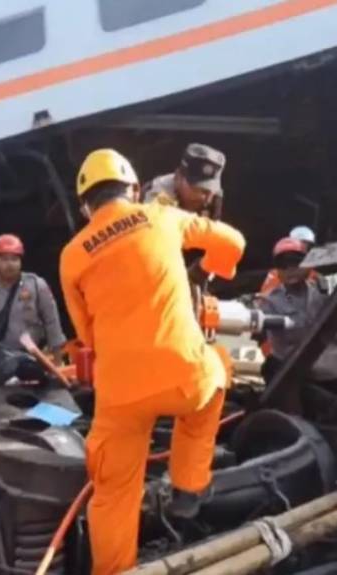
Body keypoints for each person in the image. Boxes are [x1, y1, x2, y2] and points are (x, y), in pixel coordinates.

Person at [60, 149, 245, 574]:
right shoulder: (162, 217)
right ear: (133, 189)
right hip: (185, 377)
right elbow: (234, 242)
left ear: (85, 207)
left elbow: (86, 334)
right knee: (217, 369)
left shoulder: (72, 255)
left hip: (120, 395)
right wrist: (210, 269)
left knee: (113, 494)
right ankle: (188, 487)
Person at [0, 234, 66, 370]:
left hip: (33, 357)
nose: (10, 264)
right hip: (1, 360)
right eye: (4, 259)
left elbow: (51, 321)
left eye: (14, 259)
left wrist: (57, 361)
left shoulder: (36, 285)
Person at [258, 237, 327, 384]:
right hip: (286, 368)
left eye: (295, 262)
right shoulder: (270, 302)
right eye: (282, 265)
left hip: (321, 364)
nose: (289, 270)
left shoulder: (321, 293)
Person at [142, 143, 226, 219]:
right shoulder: (157, 192)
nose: (207, 199)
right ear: (177, 177)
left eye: (210, 191)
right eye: (196, 189)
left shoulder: (214, 197)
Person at [260, 225, 317, 296]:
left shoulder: (314, 274)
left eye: (308, 246)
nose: (290, 269)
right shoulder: (276, 273)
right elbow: (265, 296)